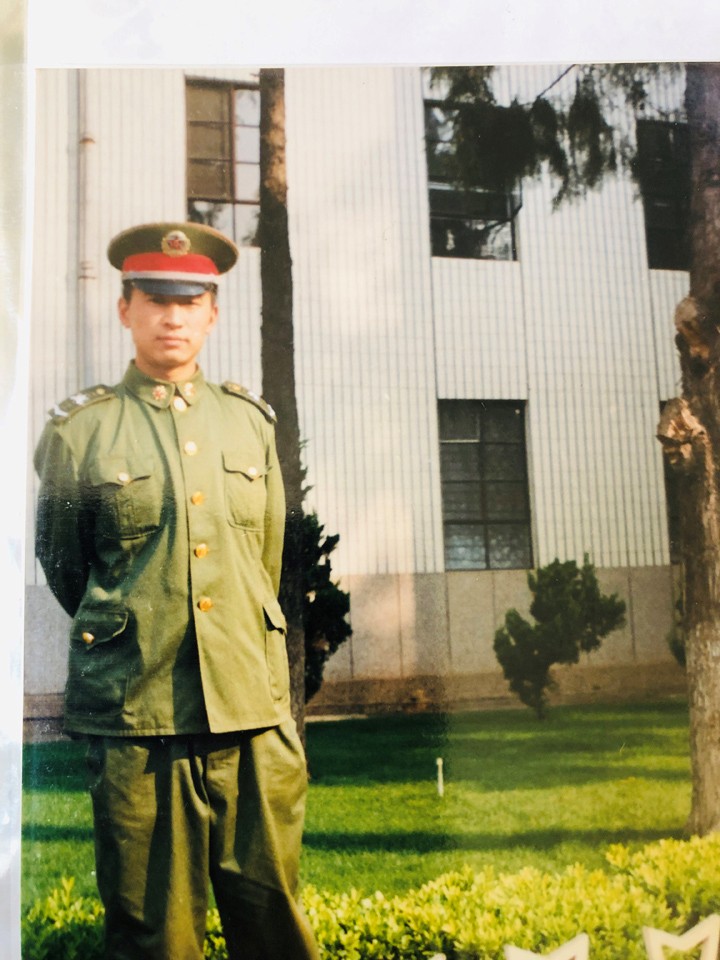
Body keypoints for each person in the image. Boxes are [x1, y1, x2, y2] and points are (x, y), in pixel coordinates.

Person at [33, 221, 320, 960]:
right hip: (139, 714)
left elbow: (263, 560)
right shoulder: (82, 433)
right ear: (124, 309)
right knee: (156, 936)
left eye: (189, 301)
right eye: (155, 300)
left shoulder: (248, 425)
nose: (172, 317)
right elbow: (68, 568)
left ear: (212, 314)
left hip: (249, 709)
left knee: (275, 926)